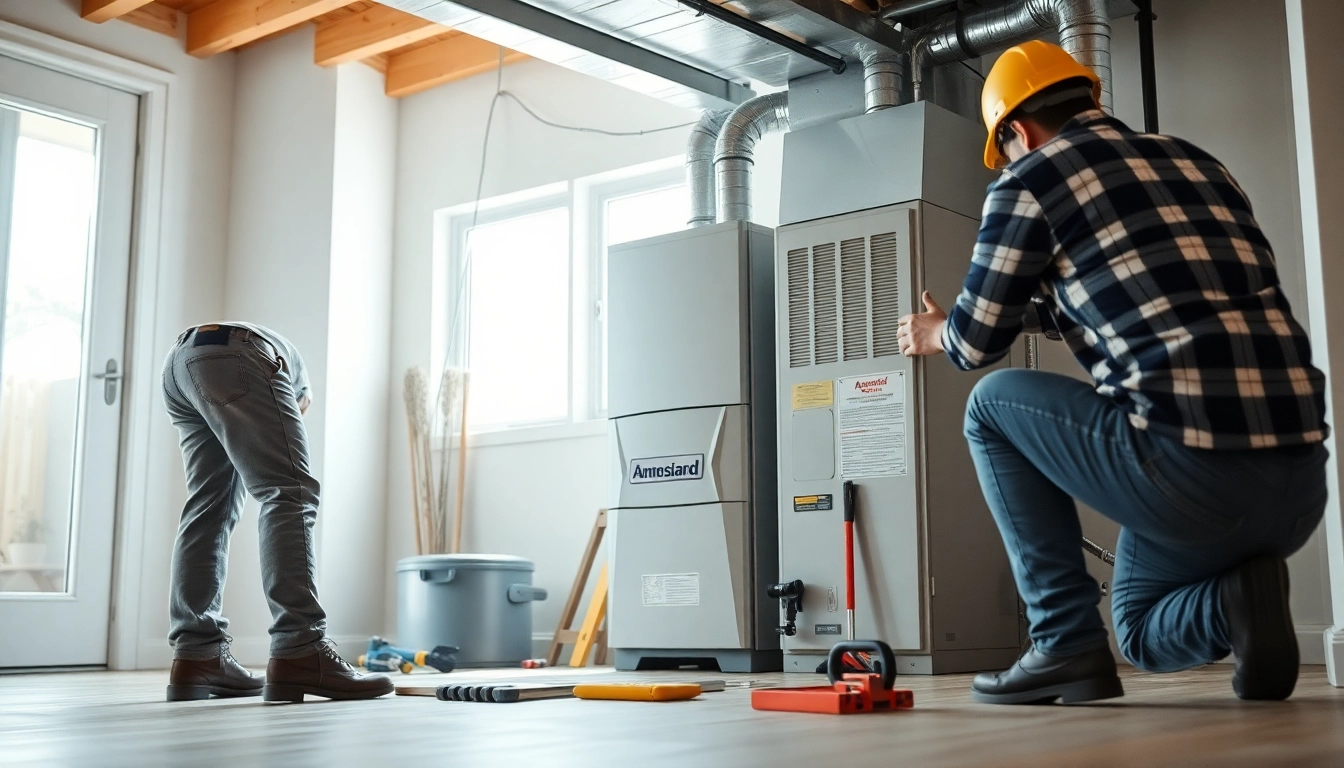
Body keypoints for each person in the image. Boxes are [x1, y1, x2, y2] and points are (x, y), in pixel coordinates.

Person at [897, 41, 1329, 704]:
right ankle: (1237, 602)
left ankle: (1064, 642)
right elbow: (1137, 288)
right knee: (1138, 627)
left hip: (1191, 477)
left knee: (990, 404)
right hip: (1300, 486)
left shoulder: (1028, 180)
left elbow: (976, 342)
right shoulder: (1198, 162)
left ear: (1016, 130)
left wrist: (938, 332)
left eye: (1003, 145)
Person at [161, 322, 393, 703]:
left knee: (209, 506)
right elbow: (289, 416)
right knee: (289, 491)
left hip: (178, 364)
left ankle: (197, 655)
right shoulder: (294, 385)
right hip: (236, 353)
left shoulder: (280, 358)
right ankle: (300, 647)